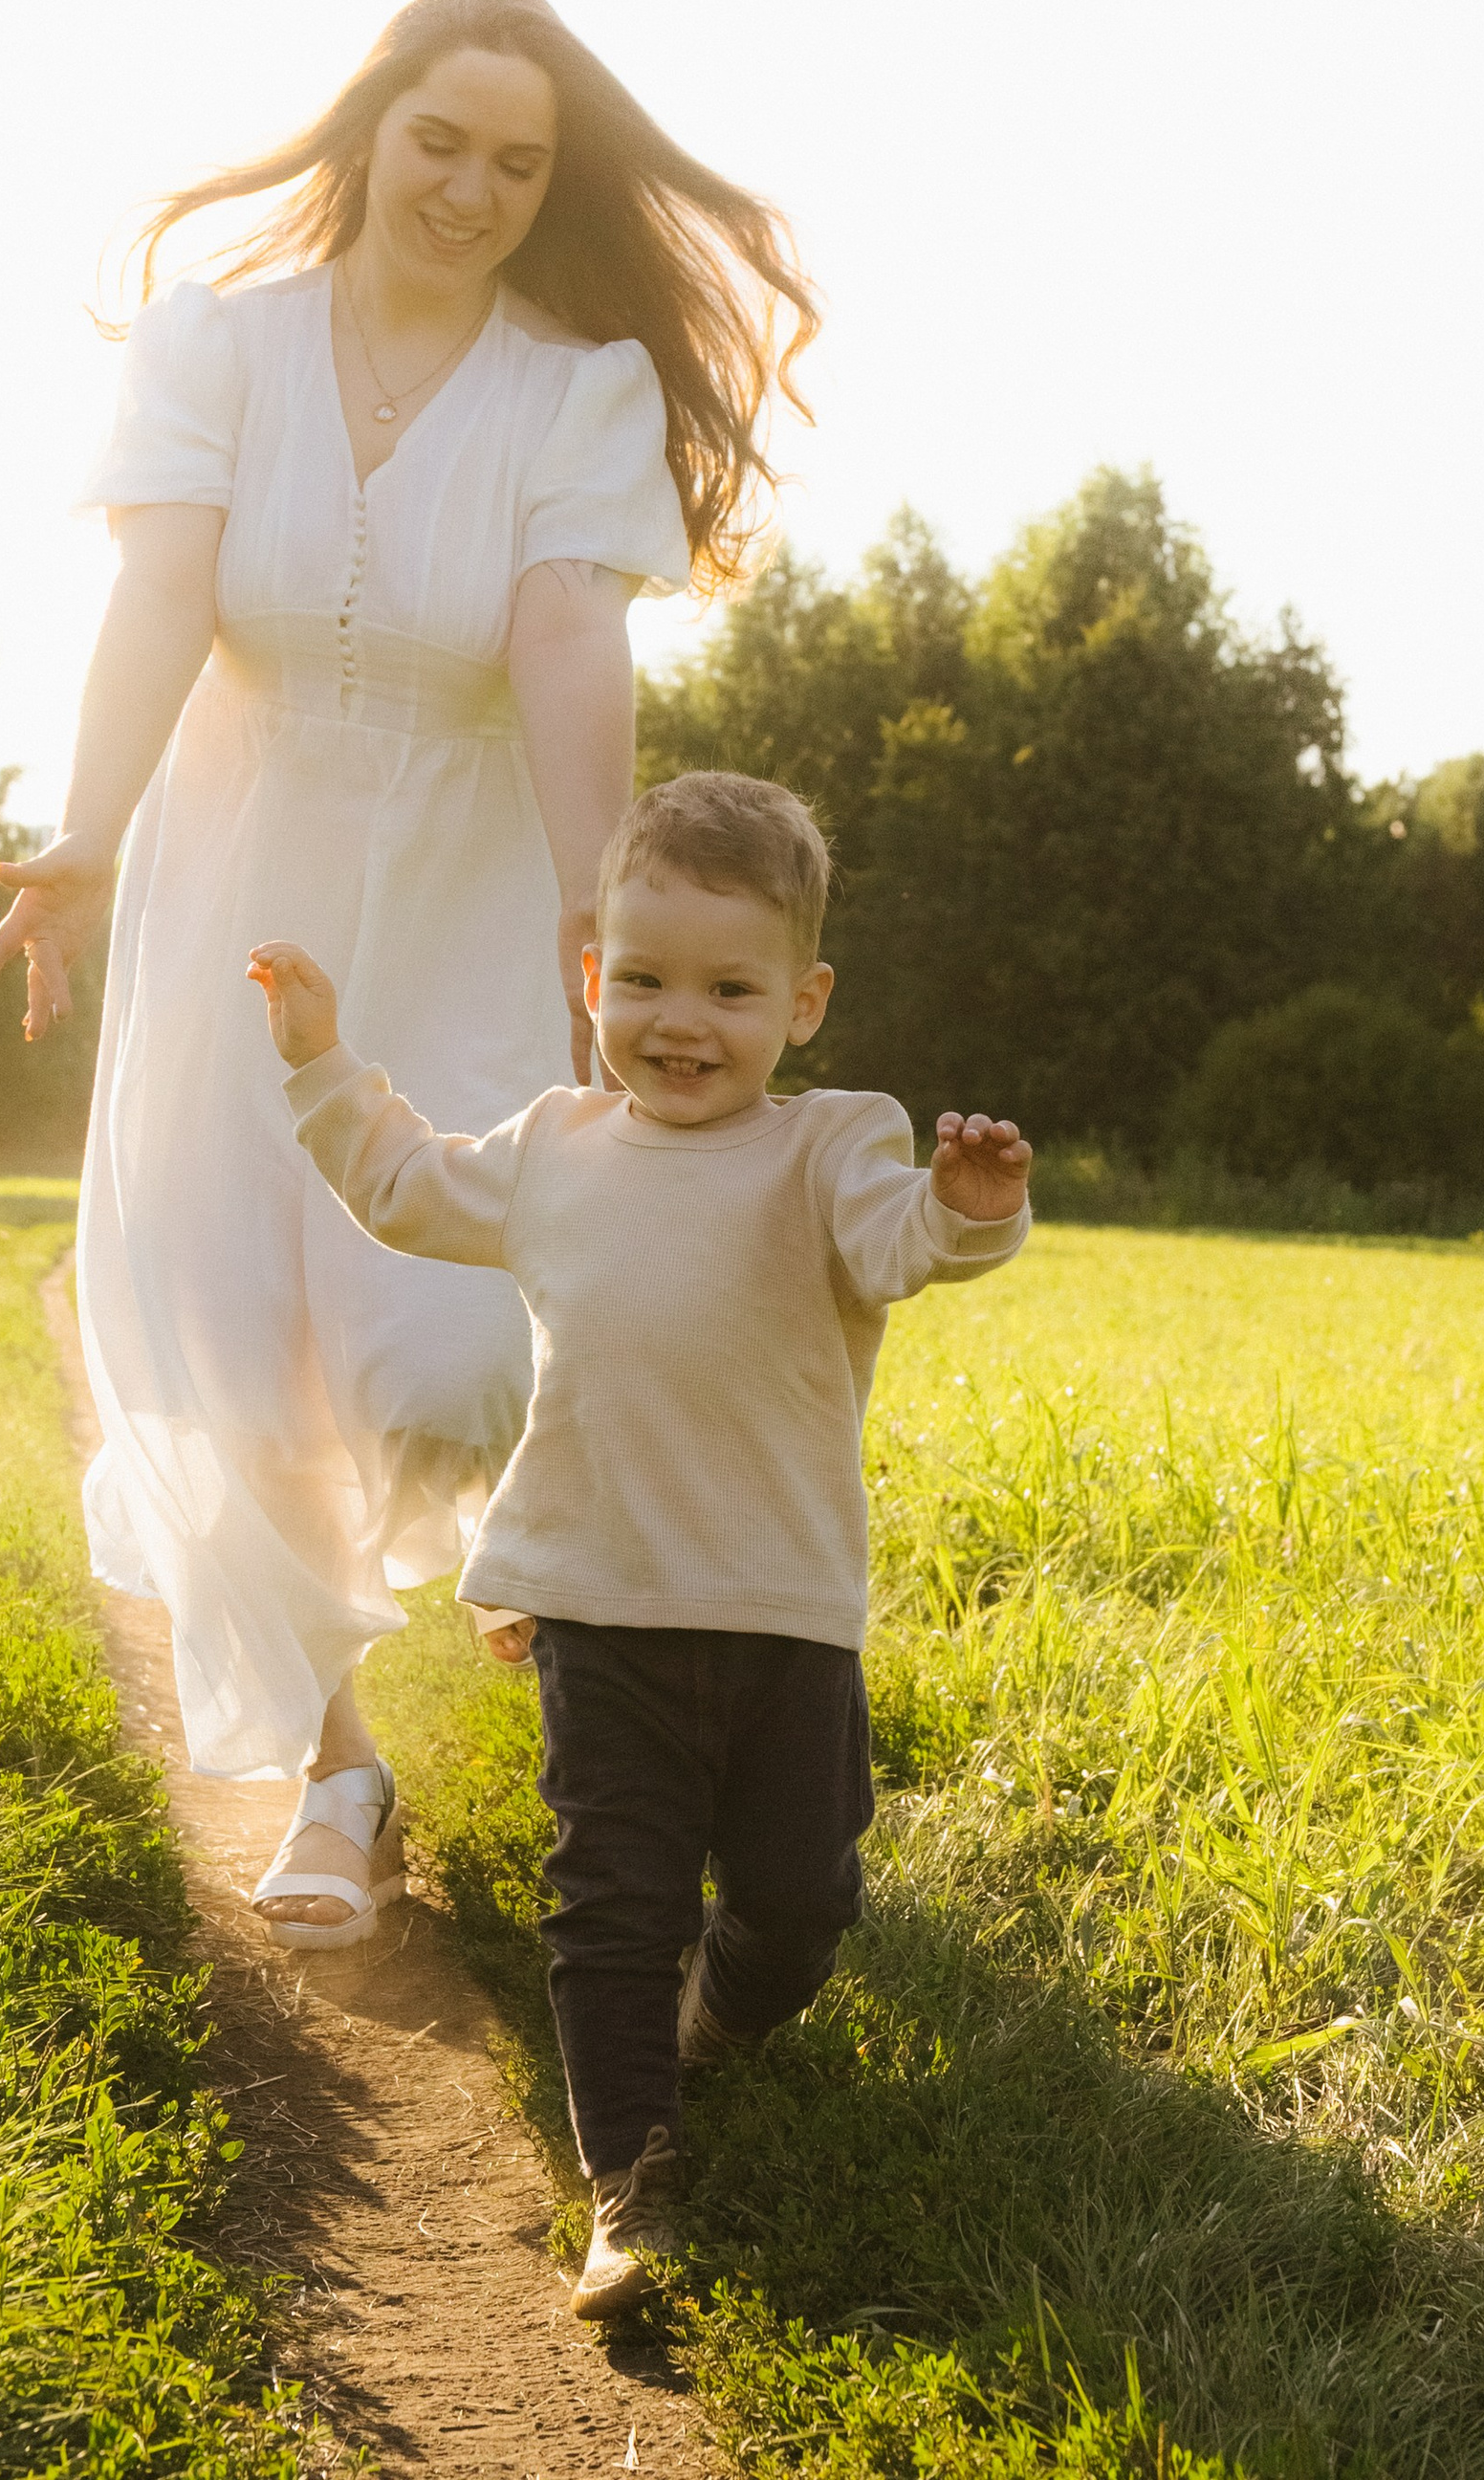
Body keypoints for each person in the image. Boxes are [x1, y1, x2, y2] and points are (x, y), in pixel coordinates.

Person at [0, 0, 818, 1944]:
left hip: (451, 891)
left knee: (437, 1341)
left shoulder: (570, 386)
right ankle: (336, 1774)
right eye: (440, 141)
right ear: (367, 128)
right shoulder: (219, 344)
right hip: (230, 896)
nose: (472, 187)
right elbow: (162, 589)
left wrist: (594, 894)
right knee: (225, 1329)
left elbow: (559, 639)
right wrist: (83, 840)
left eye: (518, 163)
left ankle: (537, 1587)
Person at [247, 768, 1033, 2318]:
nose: (687, 1021)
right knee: (614, 1902)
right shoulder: (557, 1147)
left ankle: (710, 2028)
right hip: (598, 1606)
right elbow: (403, 1189)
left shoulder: (833, 1152)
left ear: (802, 1002)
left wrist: (969, 1201)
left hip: (783, 1611)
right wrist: (322, 1062)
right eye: (651, 980)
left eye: (733, 990)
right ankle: (632, 2186)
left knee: (800, 1905)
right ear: (592, 977)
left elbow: (905, 1243)